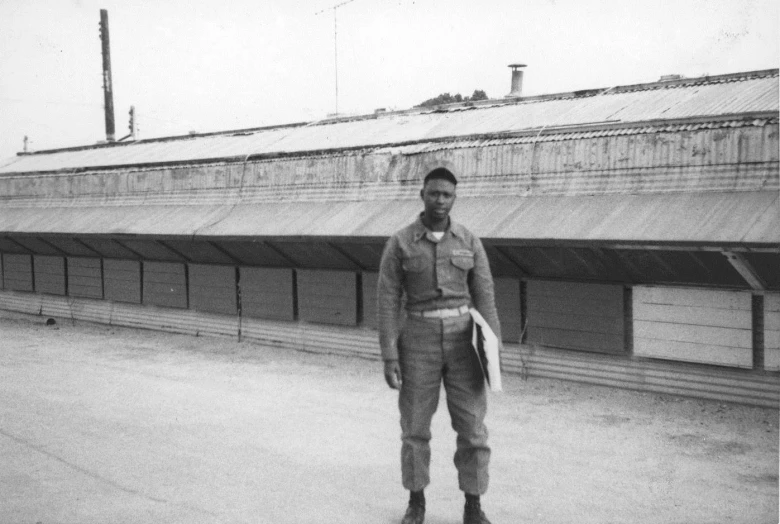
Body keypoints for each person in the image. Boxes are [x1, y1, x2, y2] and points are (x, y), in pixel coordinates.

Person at [377, 167, 502, 524]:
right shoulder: (400, 243)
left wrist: (493, 351)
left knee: (473, 428)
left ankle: (473, 507)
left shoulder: (468, 241)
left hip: (466, 342)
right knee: (415, 427)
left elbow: (486, 297)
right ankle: (416, 503)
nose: (440, 200)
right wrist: (389, 355)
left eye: (447, 195)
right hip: (418, 339)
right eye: (434, 193)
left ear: (454, 198)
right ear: (422, 195)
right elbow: (386, 300)